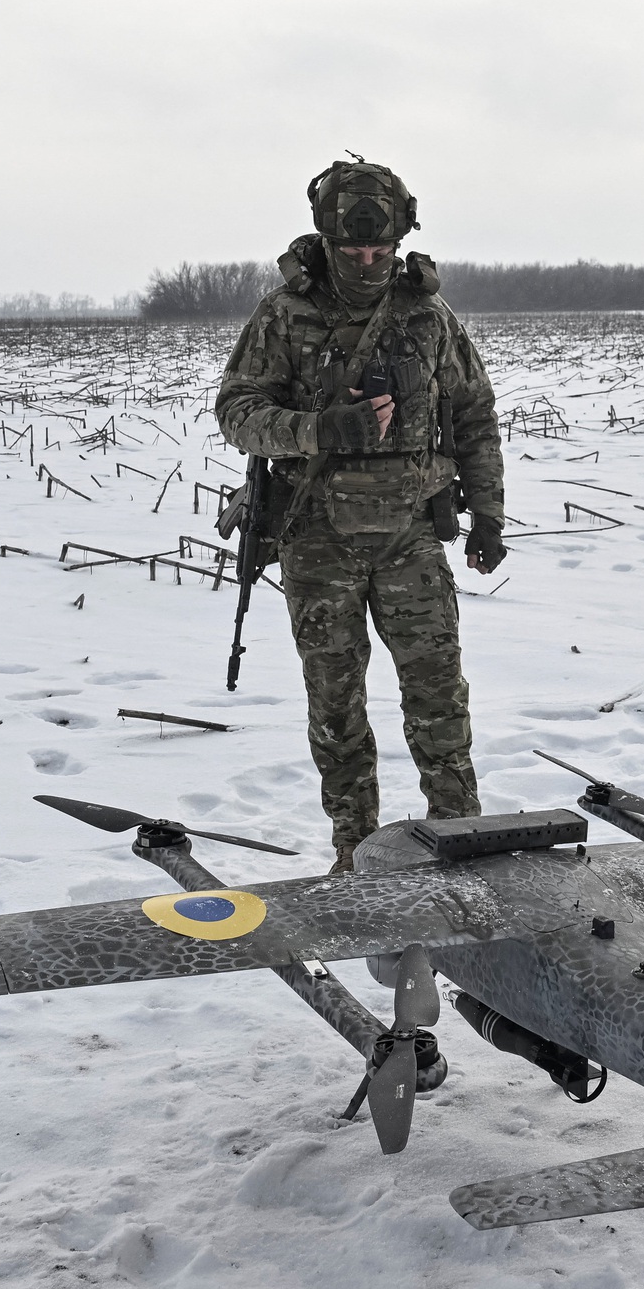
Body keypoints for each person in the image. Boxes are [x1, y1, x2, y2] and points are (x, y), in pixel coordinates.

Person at [215, 157, 507, 871]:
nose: (369, 262)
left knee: (439, 701)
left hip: (410, 537)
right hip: (318, 540)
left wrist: (489, 515)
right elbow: (238, 413)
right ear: (328, 238)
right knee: (337, 708)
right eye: (353, 250)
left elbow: (474, 414)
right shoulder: (284, 315)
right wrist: (320, 431)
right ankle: (354, 850)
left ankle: (460, 843)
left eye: (382, 250)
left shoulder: (428, 316)